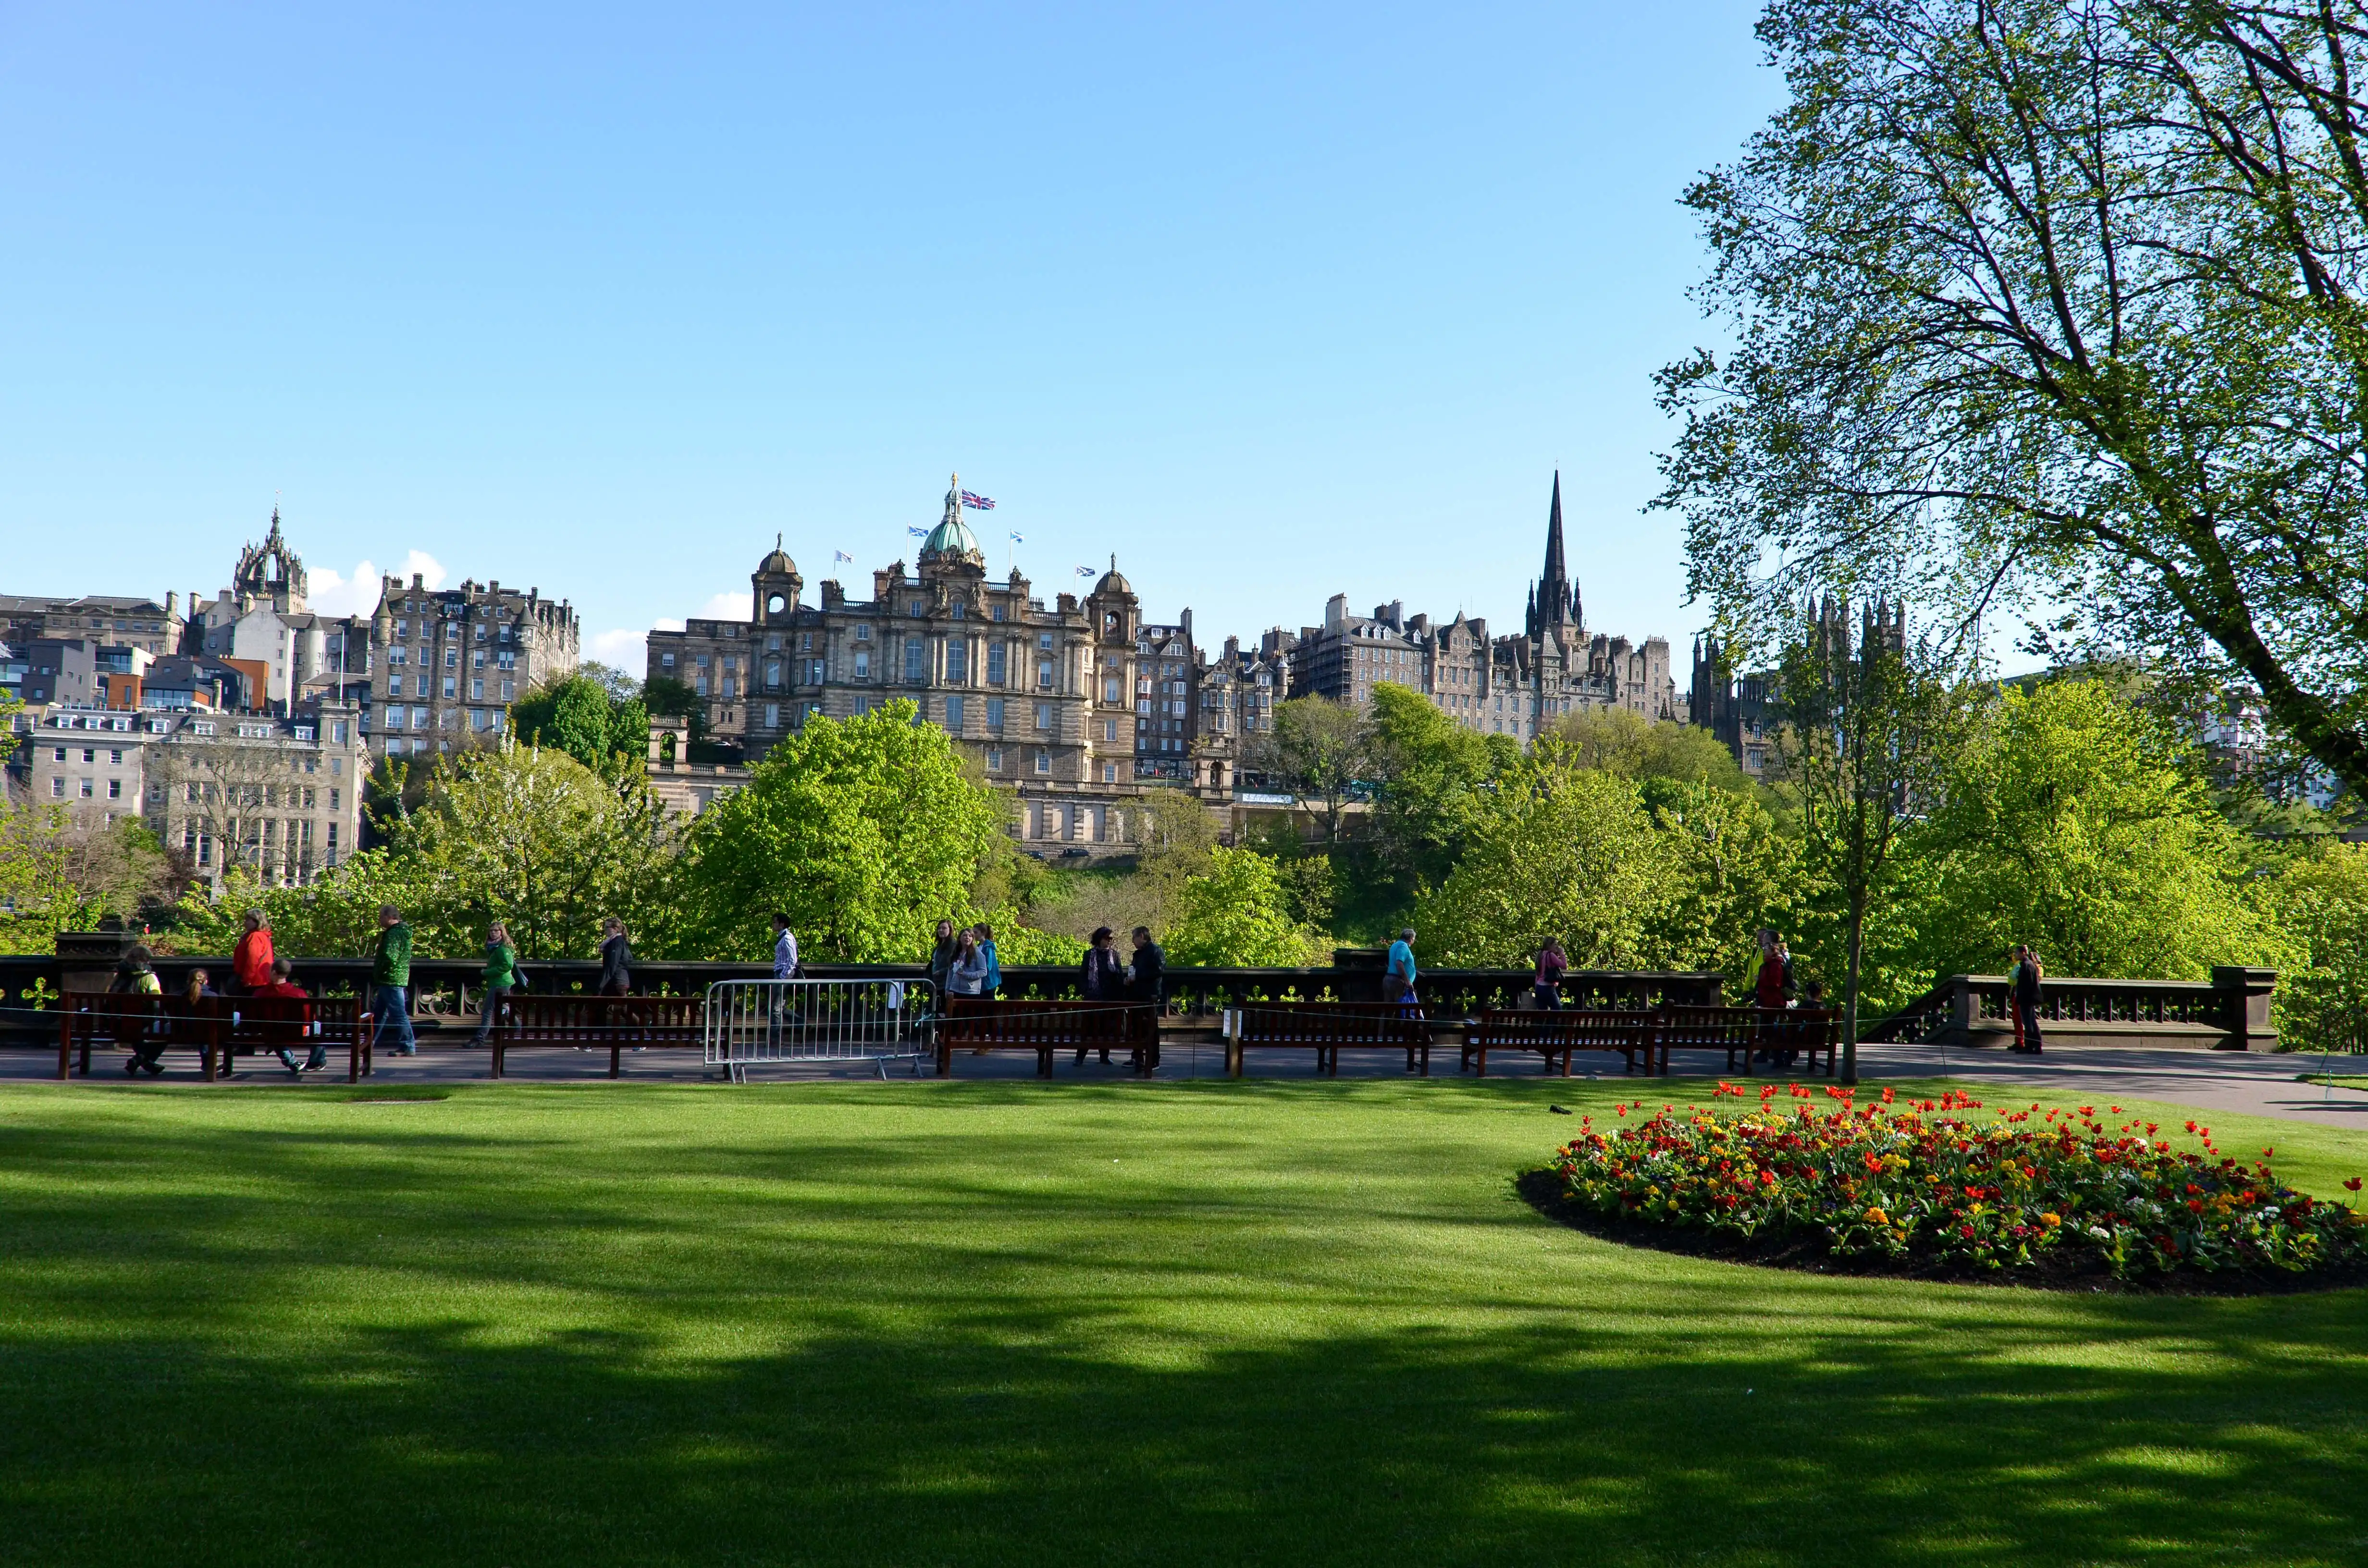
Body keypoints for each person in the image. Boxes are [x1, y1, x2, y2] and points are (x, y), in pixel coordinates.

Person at [258, 958, 323, 1075]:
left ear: (273, 973)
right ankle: (316, 1060)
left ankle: (291, 1061)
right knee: (317, 1027)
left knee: (275, 1034)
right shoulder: (299, 994)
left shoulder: (260, 994)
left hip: (270, 1033)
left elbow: (253, 1016)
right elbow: (308, 1018)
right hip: (299, 1033)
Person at [111, 944, 166, 1076]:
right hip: (144, 1023)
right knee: (166, 1029)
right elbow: (156, 1003)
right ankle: (142, 1059)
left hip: (117, 1023)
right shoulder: (150, 978)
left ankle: (142, 1061)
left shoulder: (118, 977)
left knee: (135, 1027)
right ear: (146, 960)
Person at [372, 904, 418, 1058]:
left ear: (389, 917)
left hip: (391, 979)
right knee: (379, 1014)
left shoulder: (393, 934)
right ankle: (368, 1042)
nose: (379, 920)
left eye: (381, 917)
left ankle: (408, 1045)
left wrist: (380, 968)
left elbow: (390, 957)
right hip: (396, 978)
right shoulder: (404, 933)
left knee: (398, 1015)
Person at [1077, 927, 1124, 1066]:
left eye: (1111, 939)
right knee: (1087, 1028)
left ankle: (1104, 1056)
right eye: (1107, 938)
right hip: (1093, 996)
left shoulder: (1115, 955)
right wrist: (1087, 990)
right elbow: (1083, 975)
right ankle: (1080, 1057)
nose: (1110, 941)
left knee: (1106, 1027)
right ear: (1100, 939)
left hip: (1109, 997)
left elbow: (1120, 977)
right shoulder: (1089, 955)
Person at [472, 921, 518, 1048]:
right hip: (498, 983)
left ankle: (480, 1039)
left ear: (502, 932)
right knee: (503, 1009)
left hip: (501, 983)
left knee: (488, 1010)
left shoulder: (503, 948)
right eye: (491, 931)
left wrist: (487, 972)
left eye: (496, 931)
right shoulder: (495, 947)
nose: (493, 933)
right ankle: (520, 1030)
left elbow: (508, 965)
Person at [1127, 926, 1166, 1070]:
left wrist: (1138, 976)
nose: (1133, 941)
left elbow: (1159, 970)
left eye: (1134, 938)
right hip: (1137, 995)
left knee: (1151, 1028)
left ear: (1142, 936)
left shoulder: (1156, 951)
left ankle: (1154, 1059)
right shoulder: (1138, 954)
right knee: (1137, 1027)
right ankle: (1137, 1057)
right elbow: (1134, 969)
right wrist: (1129, 979)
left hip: (1150, 995)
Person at [2010, 945, 2045, 1054]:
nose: (2015, 955)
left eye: (2017, 953)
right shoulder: (2029, 965)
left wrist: (2021, 997)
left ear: (2024, 953)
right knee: (2032, 1022)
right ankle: (2037, 1046)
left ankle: (2030, 1046)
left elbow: (2028, 985)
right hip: (2029, 998)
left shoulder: (2026, 965)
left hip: (2026, 998)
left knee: (2028, 1023)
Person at [231, 910, 273, 997]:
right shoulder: (263, 936)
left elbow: (253, 959)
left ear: (256, 921)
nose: (245, 923)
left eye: (248, 920)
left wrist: (248, 979)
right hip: (262, 979)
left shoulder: (256, 936)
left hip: (254, 981)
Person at [946, 929, 990, 996]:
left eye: (970, 936)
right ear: (960, 938)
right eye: (965, 935)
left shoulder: (977, 953)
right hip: (954, 990)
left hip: (970, 991)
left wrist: (966, 975)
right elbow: (951, 972)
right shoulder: (956, 952)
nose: (967, 938)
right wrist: (947, 989)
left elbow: (983, 972)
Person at [1383, 928, 1419, 1008]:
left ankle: (1386, 1021)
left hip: (1389, 978)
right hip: (1397, 982)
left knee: (1388, 1009)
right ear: (1411, 939)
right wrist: (1408, 981)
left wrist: (1414, 971)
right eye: (1414, 939)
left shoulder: (1395, 945)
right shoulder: (1403, 946)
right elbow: (1399, 963)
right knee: (1400, 1009)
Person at [597, 918, 633, 996]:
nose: (605, 930)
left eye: (607, 927)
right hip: (621, 982)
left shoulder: (616, 943)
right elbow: (629, 958)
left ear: (615, 929)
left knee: (616, 1007)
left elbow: (612, 965)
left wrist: (601, 985)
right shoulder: (619, 942)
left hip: (617, 982)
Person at [926, 919, 958, 1000]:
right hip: (935, 984)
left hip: (946, 984)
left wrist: (941, 972)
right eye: (939, 928)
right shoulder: (938, 947)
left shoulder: (954, 946)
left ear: (950, 930)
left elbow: (957, 965)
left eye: (944, 928)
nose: (941, 930)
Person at [1533, 936, 1567, 1010]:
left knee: (1542, 1013)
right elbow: (1564, 966)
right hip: (1548, 987)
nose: (1557, 947)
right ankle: (1552, 1022)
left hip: (1539, 987)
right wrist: (1562, 954)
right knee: (1557, 1010)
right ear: (1550, 945)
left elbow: (1538, 973)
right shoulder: (1551, 955)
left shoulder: (1540, 954)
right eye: (1555, 945)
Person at [973, 923, 1001, 997]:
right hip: (983, 982)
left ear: (983, 933)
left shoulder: (988, 947)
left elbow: (988, 966)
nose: (974, 935)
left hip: (989, 982)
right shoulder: (979, 946)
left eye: (976, 933)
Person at [771, 913, 800, 981]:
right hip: (780, 972)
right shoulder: (782, 938)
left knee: (778, 991)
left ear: (782, 924)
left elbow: (793, 959)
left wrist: (783, 976)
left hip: (783, 972)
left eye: (775, 923)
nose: (773, 925)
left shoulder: (787, 938)